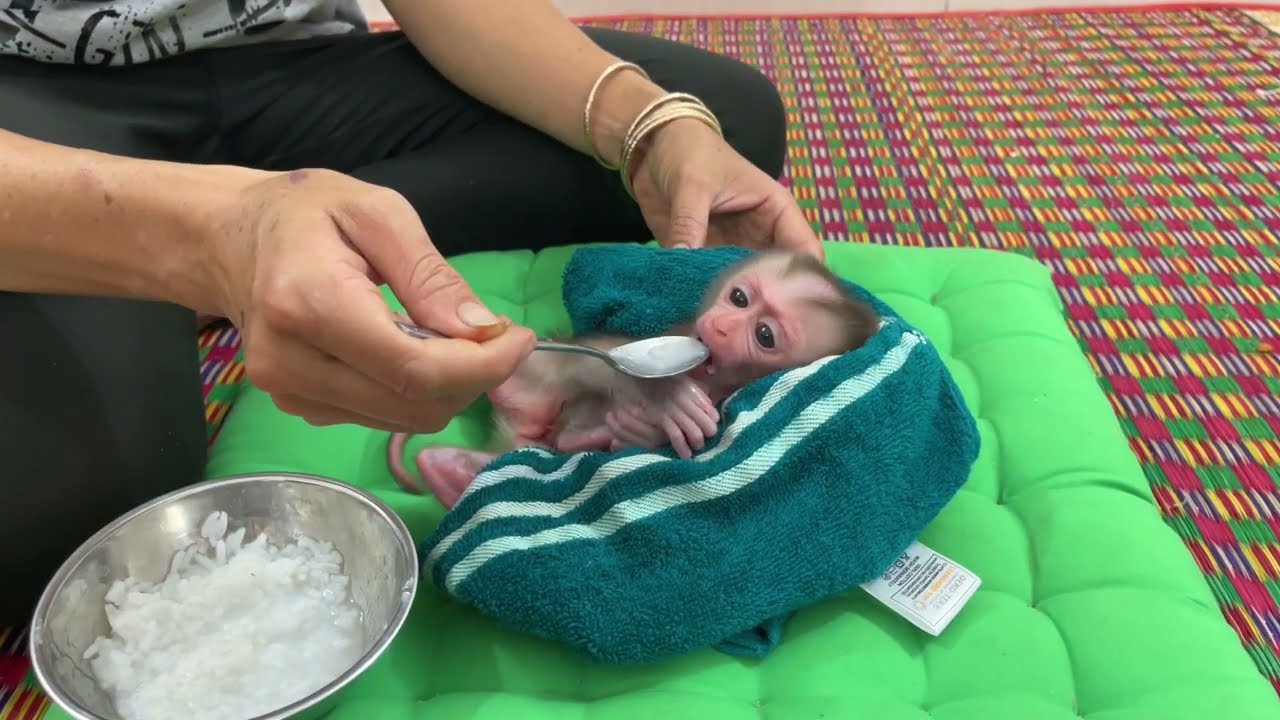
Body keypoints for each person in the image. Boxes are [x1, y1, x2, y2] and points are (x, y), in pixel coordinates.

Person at [0, 0, 824, 623]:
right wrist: (198, 238)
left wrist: (648, 128)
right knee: (66, 519)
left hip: (298, 70)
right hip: (31, 118)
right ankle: (232, 265)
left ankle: (301, 244)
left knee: (726, 128)